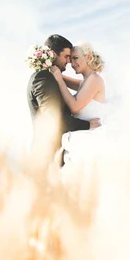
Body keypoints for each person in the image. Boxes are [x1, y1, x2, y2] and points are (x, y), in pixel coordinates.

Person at [27, 35, 101, 165]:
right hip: (47, 155)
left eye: (73, 58)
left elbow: (82, 85)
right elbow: (55, 120)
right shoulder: (43, 78)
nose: (69, 62)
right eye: (66, 57)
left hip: (60, 152)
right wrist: (88, 125)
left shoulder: (52, 78)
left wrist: (60, 78)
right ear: (54, 54)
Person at [50, 41, 106, 165]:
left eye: (75, 58)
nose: (72, 64)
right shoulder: (84, 82)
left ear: (88, 57)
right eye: (70, 60)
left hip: (89, 139)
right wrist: (47, 65)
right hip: (81, 137)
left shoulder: (95, 80)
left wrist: (59, 80)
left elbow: (75, 106)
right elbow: (62, 79)